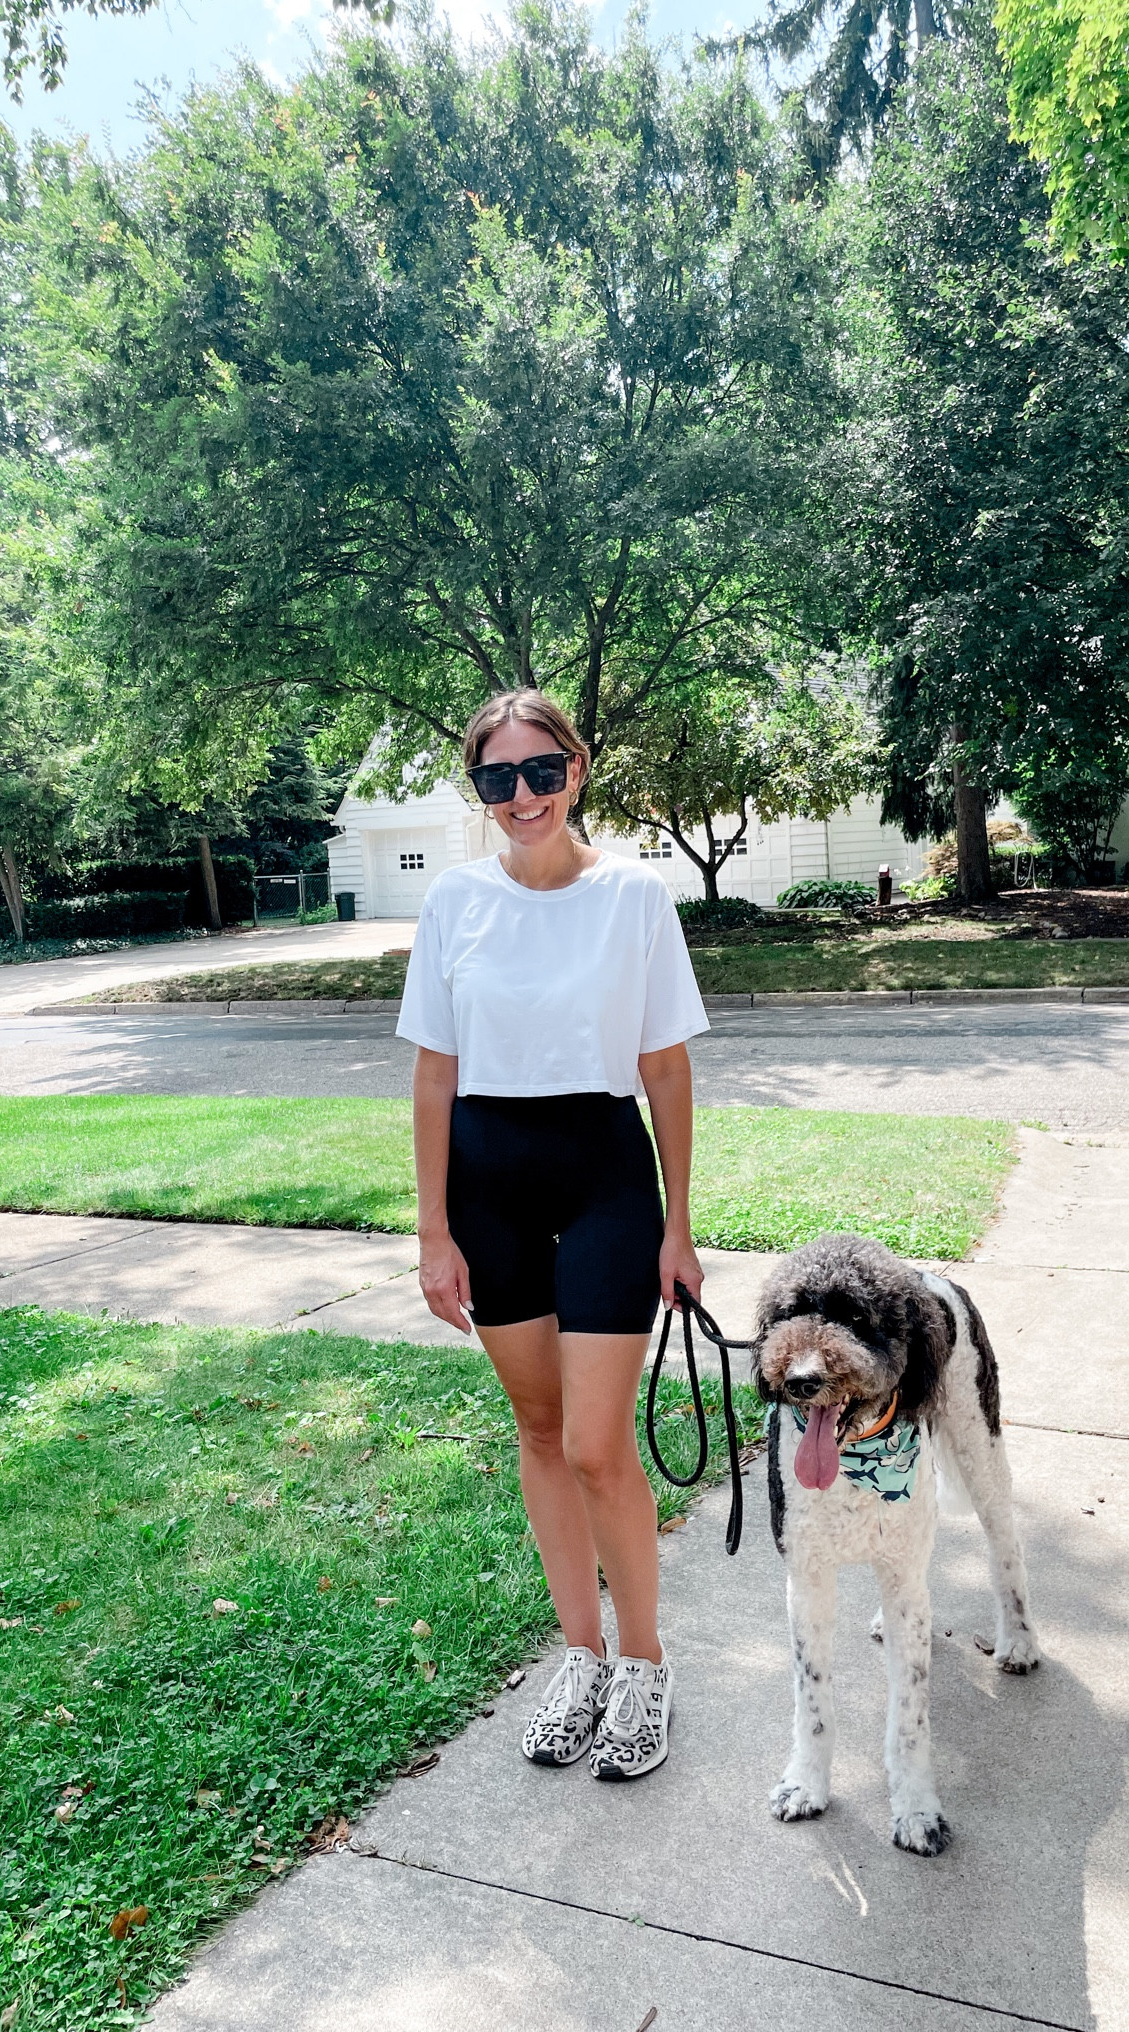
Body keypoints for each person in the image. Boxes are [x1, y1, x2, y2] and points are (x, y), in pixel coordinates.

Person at [397, 689, 710, 1781]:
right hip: (487, 1184)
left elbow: (665, 1065)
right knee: (537, 1429)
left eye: (540, 771)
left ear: (576, 769)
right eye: (498, 777)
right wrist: (433, 1231)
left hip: (605, 1176)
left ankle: (645, 1663)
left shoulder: (634, 896)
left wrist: (679, 1223)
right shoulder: (453, 900)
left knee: (594, 1443)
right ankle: (581, 1655)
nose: (521, 794)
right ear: (479, 788)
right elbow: (434, 1074)